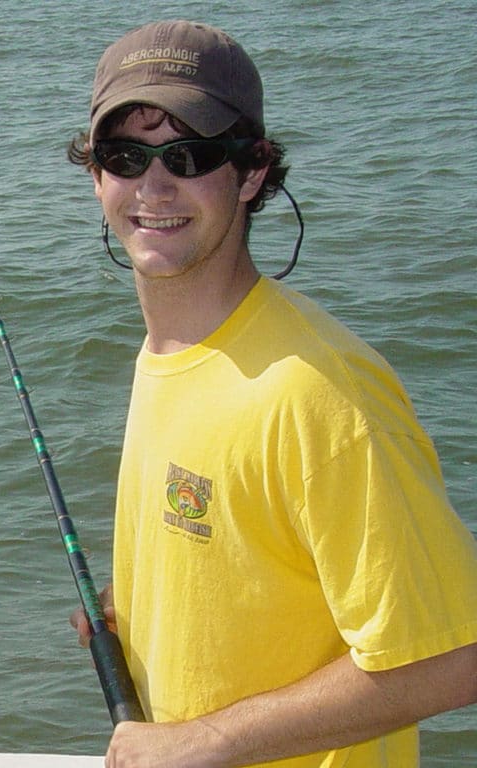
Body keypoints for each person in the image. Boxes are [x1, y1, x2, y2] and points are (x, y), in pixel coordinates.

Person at [67, 20, 477, 768]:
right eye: (126, 155)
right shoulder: (166, 352)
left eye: (188, 155)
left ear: (252, 172)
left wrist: (206, 739)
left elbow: (453, 657)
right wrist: (144, 615)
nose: (153, 187)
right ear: (95, 173)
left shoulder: (321, 393)